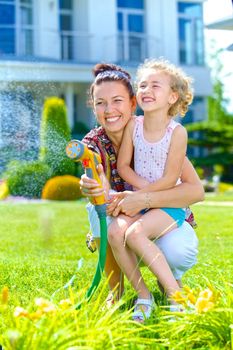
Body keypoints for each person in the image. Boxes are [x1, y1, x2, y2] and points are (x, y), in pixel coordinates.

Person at [80, 62, 203, 315]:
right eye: (100, 103)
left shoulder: (169, 133)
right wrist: (94, 187)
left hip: (162, 212)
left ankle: (173, 289)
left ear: (132, 103)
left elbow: (191, 189)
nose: (109, 110)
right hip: (131, 207)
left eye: (117, 101)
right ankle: (132, 294)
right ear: (93, 107)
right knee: (107, 222)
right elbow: (115, 174)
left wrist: (145, 197)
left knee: (157, 243)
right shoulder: (96, 141)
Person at [107, 58, 194, 321]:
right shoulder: (134, 125)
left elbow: (170, 179)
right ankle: (144, 295)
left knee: (135, 234)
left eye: (155, 85)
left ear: (172, 97)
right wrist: (141, 195)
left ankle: (174, 295)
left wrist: (145, 196)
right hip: (141, 201)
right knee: (114, 231)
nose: (146, 90)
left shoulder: (177, 133)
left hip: (168, 205)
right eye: (142, 85)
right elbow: (123, 166)